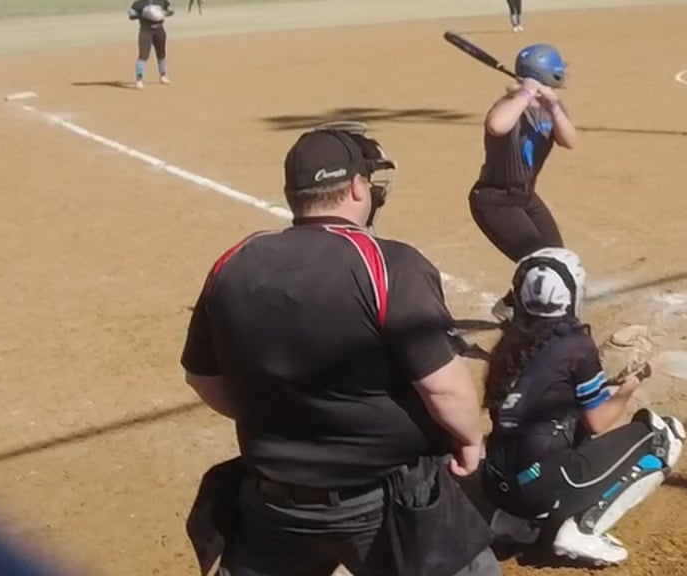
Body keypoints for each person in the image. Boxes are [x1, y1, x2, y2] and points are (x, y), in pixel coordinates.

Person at [181, 123, 498, 576]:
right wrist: (469, 441)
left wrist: (281, 418)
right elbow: (444, 389)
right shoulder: (387, 264)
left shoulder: (234, 263)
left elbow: (202, 376)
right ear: (356, 187)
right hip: (386, 505)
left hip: (275, 503)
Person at [479, 248, 686, 566]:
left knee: (549, 427)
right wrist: (633, 382)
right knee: (663, 436)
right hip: (539, 487)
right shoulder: (576, 345)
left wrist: (604, 382)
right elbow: (599, 422)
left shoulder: (508, 342)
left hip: (496, 484)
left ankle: (515, 524)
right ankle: (583, 528)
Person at [469, 45, 578, 322]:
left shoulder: (550, 108)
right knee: (540, 262)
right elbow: (497, 125)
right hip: (494, 200)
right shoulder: (508, 104)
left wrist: (554, 106)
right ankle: (527, 319)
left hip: (525, 197)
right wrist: (526, 93)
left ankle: (510, 304)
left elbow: (569, 140)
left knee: (558, 257)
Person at [128, 0, 174, 88]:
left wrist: (164, 13)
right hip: (146, 30)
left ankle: (163, 75)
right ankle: (139, 79)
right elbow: (131, 15)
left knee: (161, 52)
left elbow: (169, 11)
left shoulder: (161, 1)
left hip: (159, 29)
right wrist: (143, 15)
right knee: (143, 54)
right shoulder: (139, 3)